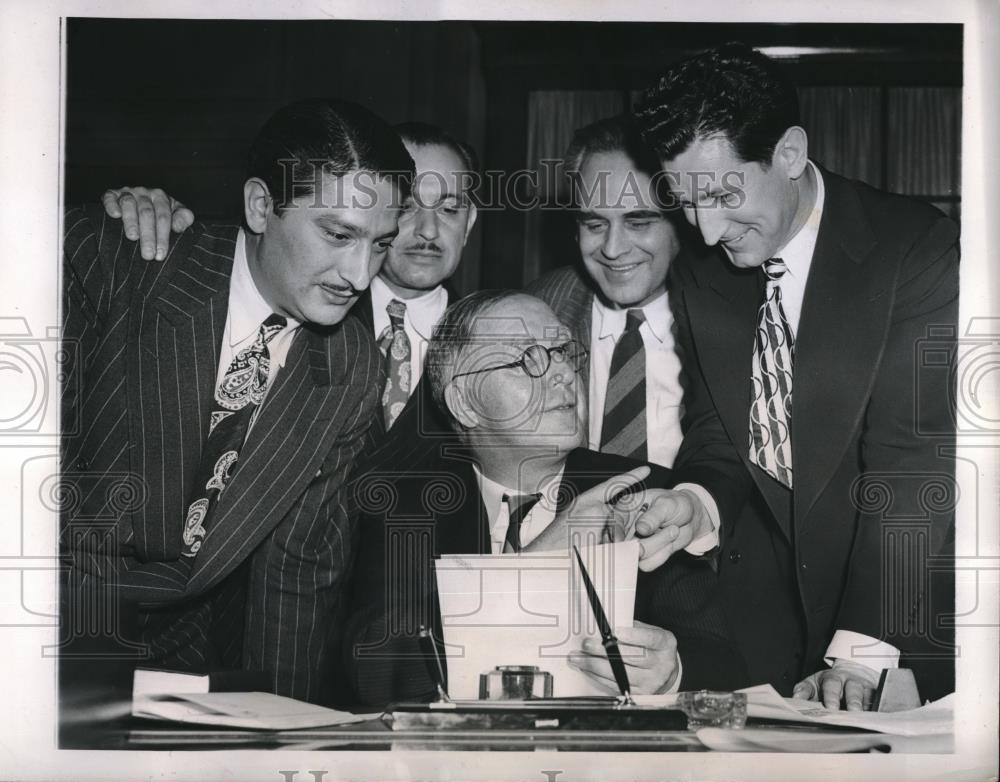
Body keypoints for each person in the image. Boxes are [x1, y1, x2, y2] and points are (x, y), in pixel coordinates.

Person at [634, 42, 958, 707]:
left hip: (894, 623)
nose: (703, 229)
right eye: (684, 200)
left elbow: (911, 465)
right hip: (756, 633)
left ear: (788, 154)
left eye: (724, 194)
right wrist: (695, 501)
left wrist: (864, 651)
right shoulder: (702, 269)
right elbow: (719, 432)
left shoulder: (914, 251)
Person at [61, 98, 415, 703]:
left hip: (186, 660)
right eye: (337, 235)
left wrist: (280, 733)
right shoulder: (121, 257)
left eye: (380, 244)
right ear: (260, 206)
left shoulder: (352, 366)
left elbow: (299, 575)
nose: (359, 275)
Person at [340, 290, 748, 709]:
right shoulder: (405, 507)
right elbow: (374, 674)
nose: (564, 374)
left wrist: (672, 674)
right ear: (463, 403)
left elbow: (728, 666)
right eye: (528, 359)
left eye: (564, 352)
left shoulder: (639, 493)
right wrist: (536, 564)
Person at [101, 121, 479, 431]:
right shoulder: (306, 305)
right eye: (410, 207)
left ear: (470, 221)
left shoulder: (494, 339)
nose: (428, 230)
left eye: (449, 209)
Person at [528, 115, 729, 570]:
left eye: (639, 222)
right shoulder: (534, 313)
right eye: (594, 224)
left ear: (682, 221)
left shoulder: (736, 321)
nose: (613, 249)